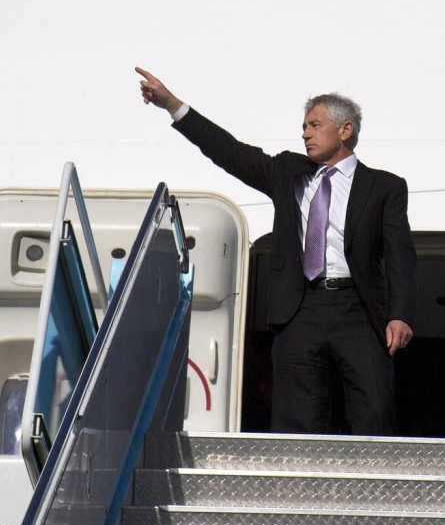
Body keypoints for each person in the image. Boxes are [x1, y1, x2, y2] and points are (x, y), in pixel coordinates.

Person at [135, 67, 416, 436]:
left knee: (373, 407)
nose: (305, 133)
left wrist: (400, 315)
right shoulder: (288, 171)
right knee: (297, 414)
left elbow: (400, 255)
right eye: (304, 126)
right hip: (300, 309)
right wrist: (173, 106)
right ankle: (298, 489)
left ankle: (375, 486)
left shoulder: (384, 187)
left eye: (314, 125)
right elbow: (229, 151)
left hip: (358, 311)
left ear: (345, 130)